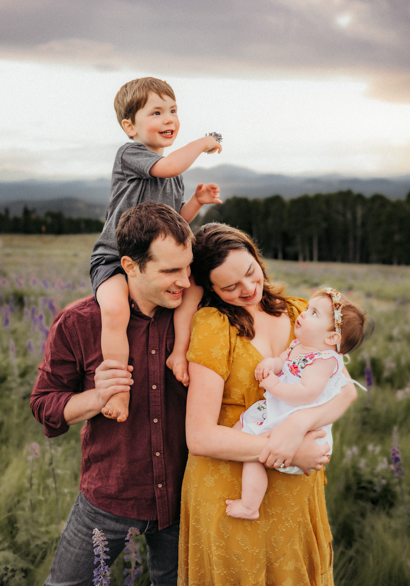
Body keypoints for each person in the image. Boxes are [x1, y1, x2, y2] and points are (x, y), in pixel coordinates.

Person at [178, 223, 358, 586]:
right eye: (230, 286)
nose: (248, 289)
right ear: (209, 288)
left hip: (294, 495)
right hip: (230, 492)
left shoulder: (300, 313)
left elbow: (347, 390)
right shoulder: (214, 325)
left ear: (257, 258)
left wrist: (297, 424)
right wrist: (289, 450)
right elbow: (198, 438)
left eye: (250, 272)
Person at [31, 202, 194, 586]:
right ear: (131, 266)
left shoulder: (197, 318)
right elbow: (43, 403)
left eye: (188, 268)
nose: (185, 282)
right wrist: (95, 397)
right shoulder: (79, 323)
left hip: (186, 499)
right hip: (110, 497)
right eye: (171, 271)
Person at [90, 76, 222, 422]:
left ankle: (178, 352)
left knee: (192, 290)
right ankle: (118, 390)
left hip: (157, 261)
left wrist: (195, 201)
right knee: (116, 312)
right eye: (157, 112)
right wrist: (203, 142)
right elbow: (170, 164)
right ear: (129, 126)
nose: (169, 119)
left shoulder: (174, 175)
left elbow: (176, 222)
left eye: (173, 110)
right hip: (116, 259)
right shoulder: (132, 154)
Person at [226, 287, 369, 520]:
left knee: (253, 457)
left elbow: (306, 394)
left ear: (332, 338)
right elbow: (284, 361)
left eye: (314, 313)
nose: (302, 313)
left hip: (293, 416)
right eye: (308, 308)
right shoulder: (299, 345)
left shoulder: (324, 361)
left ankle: (250, 506)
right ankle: (233, 455)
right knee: (240, 440)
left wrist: (273, 385)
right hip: (279, 409)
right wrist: (272, 364)